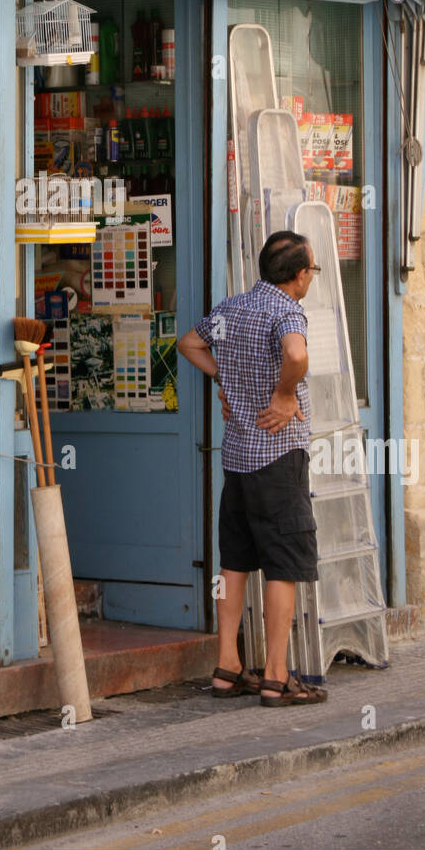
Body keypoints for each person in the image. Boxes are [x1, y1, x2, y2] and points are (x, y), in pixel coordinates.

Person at [177, 230, 327, 706]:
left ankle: (228, 667)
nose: (310, 279)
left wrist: (227, 378)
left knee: (234, 563)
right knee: (282, 565)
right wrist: (284, 394)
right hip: (278, 460)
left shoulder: (232, 308)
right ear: (299, 276)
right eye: (311, 271)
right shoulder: (286, 310)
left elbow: (188, 344)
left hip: (238, 462)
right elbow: (297, 353)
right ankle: (277, 677)